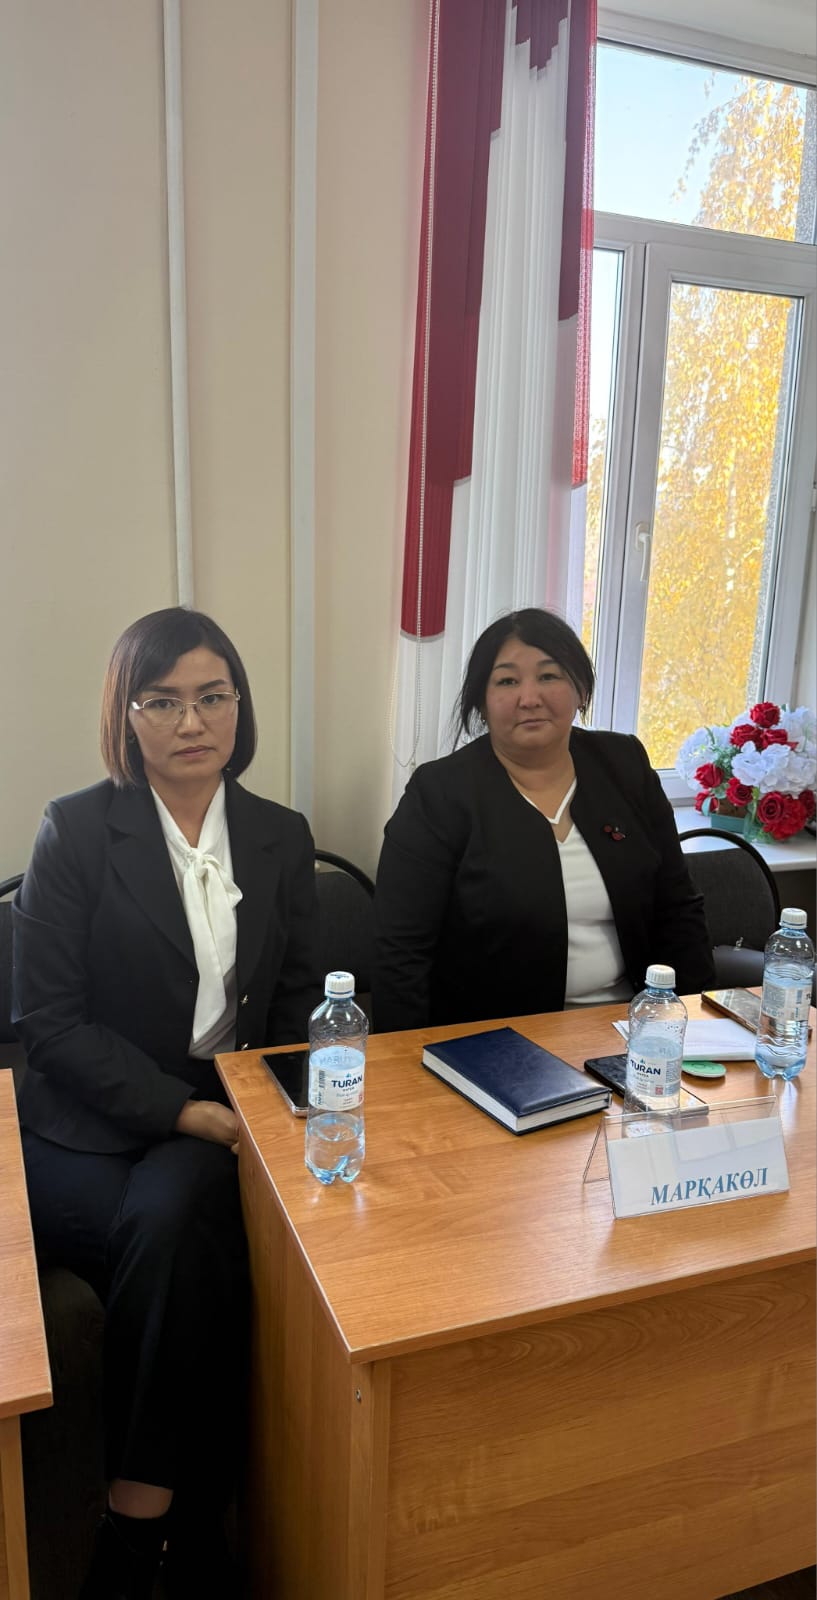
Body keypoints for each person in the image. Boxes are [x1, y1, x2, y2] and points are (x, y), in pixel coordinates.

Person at [12, 607, 322, 1600]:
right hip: (82, 1124)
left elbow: (295, 1005)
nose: (192, 721)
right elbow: (47, 1022)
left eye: (212, 696)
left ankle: (135, 1532)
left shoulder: (279, 835)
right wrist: (184, 1115)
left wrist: (269, 1108)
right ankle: (182, 1528)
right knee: (187, 1231)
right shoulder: (76, 828)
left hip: (216, 1110)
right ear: (126, 714)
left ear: (239, 707)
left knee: (185, 1212)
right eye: (162, 700)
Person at [373, 608, 714, 1033]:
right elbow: (400, 953)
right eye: (507, 681)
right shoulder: (439, 793)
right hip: (494, 1042)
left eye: (549, 676)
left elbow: (678, 907)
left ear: (580, 689)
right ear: (481, 702)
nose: (529, 698)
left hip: (633, 1031)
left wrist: (695, 1027)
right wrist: (405, 1059)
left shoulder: (624, 765)